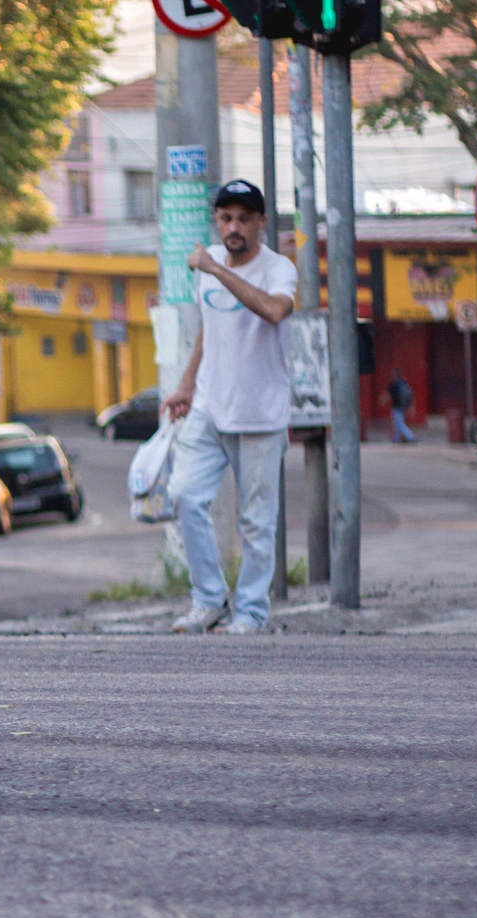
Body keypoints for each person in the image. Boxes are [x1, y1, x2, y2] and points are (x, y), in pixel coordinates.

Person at [162, 179, 297, 635]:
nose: (233, 227)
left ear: (261, 222)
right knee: (183, 494)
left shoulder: (279, 269)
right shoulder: (211, 263)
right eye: (225, 218)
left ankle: (252, 612)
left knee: (256, 523)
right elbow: (209, 328)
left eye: (243, 218)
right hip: (209, 406)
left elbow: (275, 311)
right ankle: (209, 600)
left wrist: (217, 270)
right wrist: (185, 386)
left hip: (260, 414)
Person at [388, 369, 416, 443]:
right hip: (403, 406)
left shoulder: (393, 384)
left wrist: (382, 400)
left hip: (396, 406)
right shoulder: (404, 383)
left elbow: (387, 394)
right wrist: (410, 406)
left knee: (399, 424)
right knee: (397, 424)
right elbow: (410, 394)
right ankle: (395, 440)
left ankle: (410, 437)